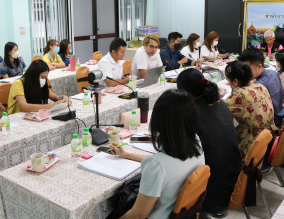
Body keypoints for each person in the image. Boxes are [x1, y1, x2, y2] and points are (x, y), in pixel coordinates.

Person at [109, 89, 204, 219]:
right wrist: (127, 155)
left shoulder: (157, 166)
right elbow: (164, 163)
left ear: (158, 121)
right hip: (184, 214)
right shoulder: (195, 141)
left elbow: (138, 215)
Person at [177, 68, 242, 217]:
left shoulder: (190, 113)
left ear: (184, 92)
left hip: (210, 192)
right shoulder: (221, 103)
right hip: (233, 180)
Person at [224, 61, 274, 158]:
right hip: (265, 139)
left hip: (250, 143)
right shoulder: (261, 86)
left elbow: (222, 110)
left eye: (227, 79)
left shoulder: (240, 93)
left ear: (235, 81)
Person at [238, 48, 284, 127]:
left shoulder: (258, 85)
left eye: (246, 69)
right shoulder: (272, 72)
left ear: (259, 66)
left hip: (273, 120)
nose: (244, 72)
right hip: (280, 112)